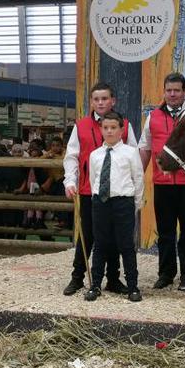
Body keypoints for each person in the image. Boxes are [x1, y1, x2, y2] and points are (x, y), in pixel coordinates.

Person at [62, 81, 138, 296]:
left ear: (112, 100)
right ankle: (78, 277)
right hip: (89, 191)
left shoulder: (124, 124)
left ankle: (113, 279)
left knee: (114, 237)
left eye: (104, 98)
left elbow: (132, 156)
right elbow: (71, 157)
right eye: (96, 99)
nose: (100, 102)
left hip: (116, 192)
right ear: (92, 102)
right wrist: (70, 181)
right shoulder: (81, 125)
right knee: (86, 235)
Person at [138, 72, 185, 291]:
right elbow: (144, 147)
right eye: (169, 90)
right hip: (162, 183)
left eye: (177, 90)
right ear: (164, 92)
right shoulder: (153, 116)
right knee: (165, 231)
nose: (172, 94)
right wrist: (137, 177)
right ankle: (166, 274)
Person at [84, 112, 144, 302]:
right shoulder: (95, 155)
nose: (109, 131)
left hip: (123, 202)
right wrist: (98, 197)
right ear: (101, 129)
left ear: (121, 130)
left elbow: (138, 179)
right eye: (106, 128)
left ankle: (133, 286)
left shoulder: (131, 152)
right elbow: (94, 178)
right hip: (100, 202)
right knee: (100, 244)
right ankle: (95, 285)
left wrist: (135, 204)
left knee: (126, 244)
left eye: (113, 128)